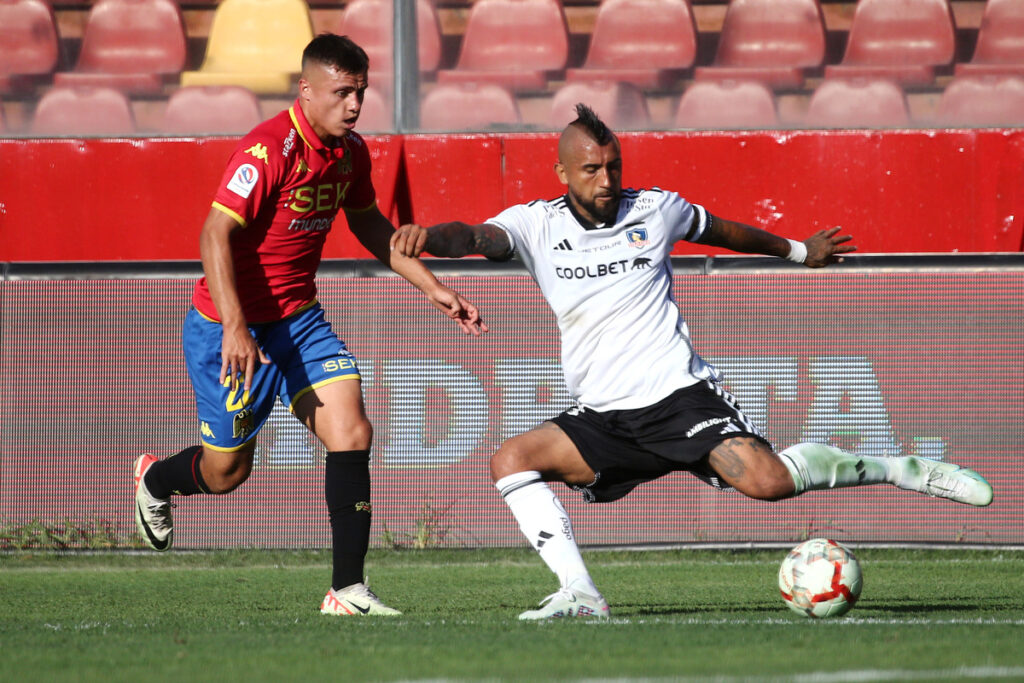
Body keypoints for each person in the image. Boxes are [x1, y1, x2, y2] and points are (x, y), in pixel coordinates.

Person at [389, 103, 993, 620]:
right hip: (605, 417)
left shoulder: (655, 209)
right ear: (563, 172)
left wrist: (797, 250)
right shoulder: (534, 225)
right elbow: (473, 236)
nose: (606, 179)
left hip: (679, 397)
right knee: (511, 460)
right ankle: (581, 594)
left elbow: (724, 231)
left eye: (613, 166)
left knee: (768, 483)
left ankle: (904, 470)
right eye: (592, 169)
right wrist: (428, 238)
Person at [132, 33, 487, 617]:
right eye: (342, 92)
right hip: (228, 327)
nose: (354, 104)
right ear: (306, 90)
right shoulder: (266, 151)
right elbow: (213, 234)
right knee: (225, 473)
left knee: (352, 431)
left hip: (299, 321)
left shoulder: (351, 153)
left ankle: (346, 591)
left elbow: (370, 225)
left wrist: (433, 288)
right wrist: (235, 327)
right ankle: (156, 479)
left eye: (361, 92)